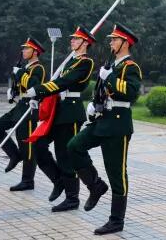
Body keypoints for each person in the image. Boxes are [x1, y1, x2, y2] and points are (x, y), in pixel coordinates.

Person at [67, 23, 142, 235]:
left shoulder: (131, 67)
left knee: (116, 173)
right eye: (111, 39)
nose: (111, 42)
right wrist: (94, 105)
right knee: (74, 147)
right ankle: (95, 186)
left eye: (115, 39)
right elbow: (101, 91)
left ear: (125, 43)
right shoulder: (111, 64)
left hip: (118, 124)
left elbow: (131, 92)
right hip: (102, 120)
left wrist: (110, 77)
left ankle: (116, 220)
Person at [27, 26, 96, 211]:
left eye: (76, 39)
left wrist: (39, 89)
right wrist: (39, 97)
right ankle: (58, 181)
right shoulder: (70, 61)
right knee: (39, 145)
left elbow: (64, 82)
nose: (72, 40)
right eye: (72, 38)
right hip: (58, 110)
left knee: (64, 155)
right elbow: (57, 84)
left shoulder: (86, 62)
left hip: (71, 112)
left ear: (85, 43)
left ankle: (72, 199)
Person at [0, 37, 59, 193]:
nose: (23, 51)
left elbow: (35, 85)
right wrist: (12, 92)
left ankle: (28, 180)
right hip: (20, 106)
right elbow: (21, 87)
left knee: (27, 146)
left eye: (27, 49)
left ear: (35, 52)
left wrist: (20, 73)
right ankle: (14, 155)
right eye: (24, 48)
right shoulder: (26, 67)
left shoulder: (39, 68)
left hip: (30, 109)